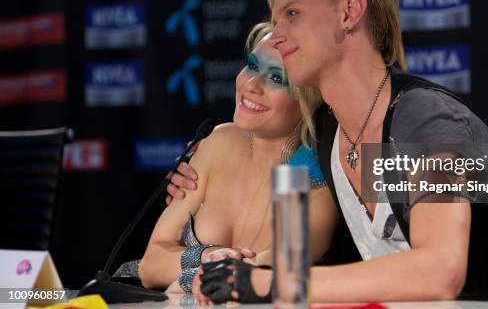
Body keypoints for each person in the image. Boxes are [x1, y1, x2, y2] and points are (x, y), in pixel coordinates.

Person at [169, 0, 488, 303]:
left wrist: (271, 284)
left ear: (349, 13)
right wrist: (198, 166)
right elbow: (260, 165)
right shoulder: (325, 132)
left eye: (292, 14)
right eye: (274, 20)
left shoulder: (423, 118)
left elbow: (441, 272)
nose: (275, 38)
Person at [138, 22, 338, 294]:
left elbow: (270, 273)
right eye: (253, 65)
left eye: (278, 78)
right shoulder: (219, 140)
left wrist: (189, 276)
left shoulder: (313, 173)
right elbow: (150, 267)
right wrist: (208, 257)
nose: (252, 85)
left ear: (310, 100)